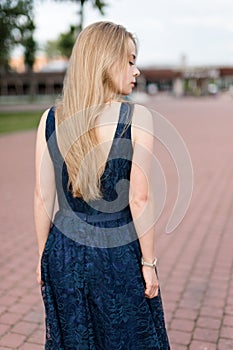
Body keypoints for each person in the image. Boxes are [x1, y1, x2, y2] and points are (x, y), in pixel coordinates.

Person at [34, 21, 170, 349]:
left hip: (63, 252)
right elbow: (140, 198)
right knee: (130, 337)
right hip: (117, 252)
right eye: (130, 60)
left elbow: (42, 197)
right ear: (107, 61)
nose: (136, 70)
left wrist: (43, 259)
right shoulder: (137, 118)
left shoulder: (51, 119)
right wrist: (149, 264)